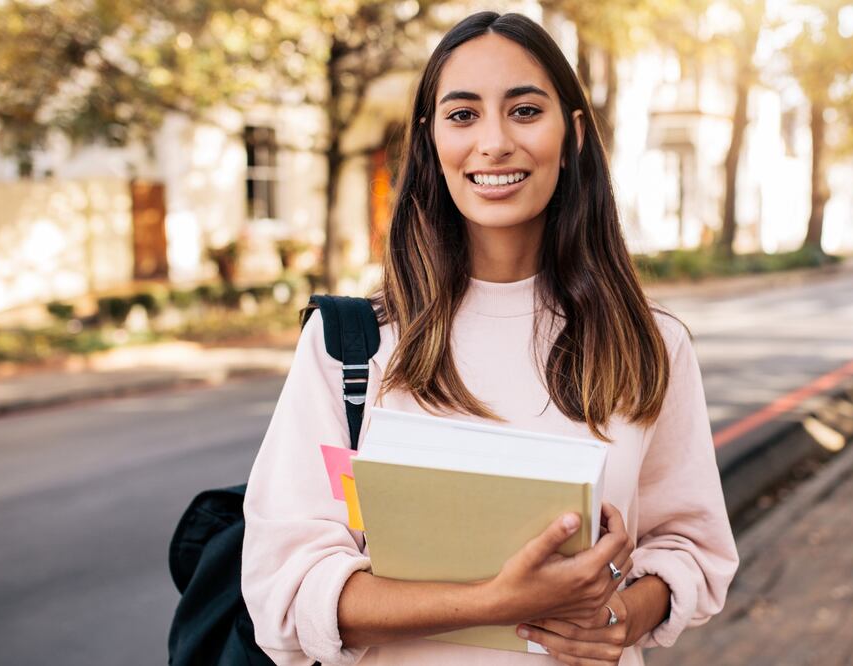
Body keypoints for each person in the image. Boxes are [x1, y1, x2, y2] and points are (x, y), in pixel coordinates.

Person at [242, 11, 739, 666]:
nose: (495, 142)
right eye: (463, 114)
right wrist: (493, 601)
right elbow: (285, 591)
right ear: (430, 140)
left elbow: (690, 549)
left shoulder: (651, 344)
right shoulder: (353, 346)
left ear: (574, 134)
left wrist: (621, 615)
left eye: (526, 111)